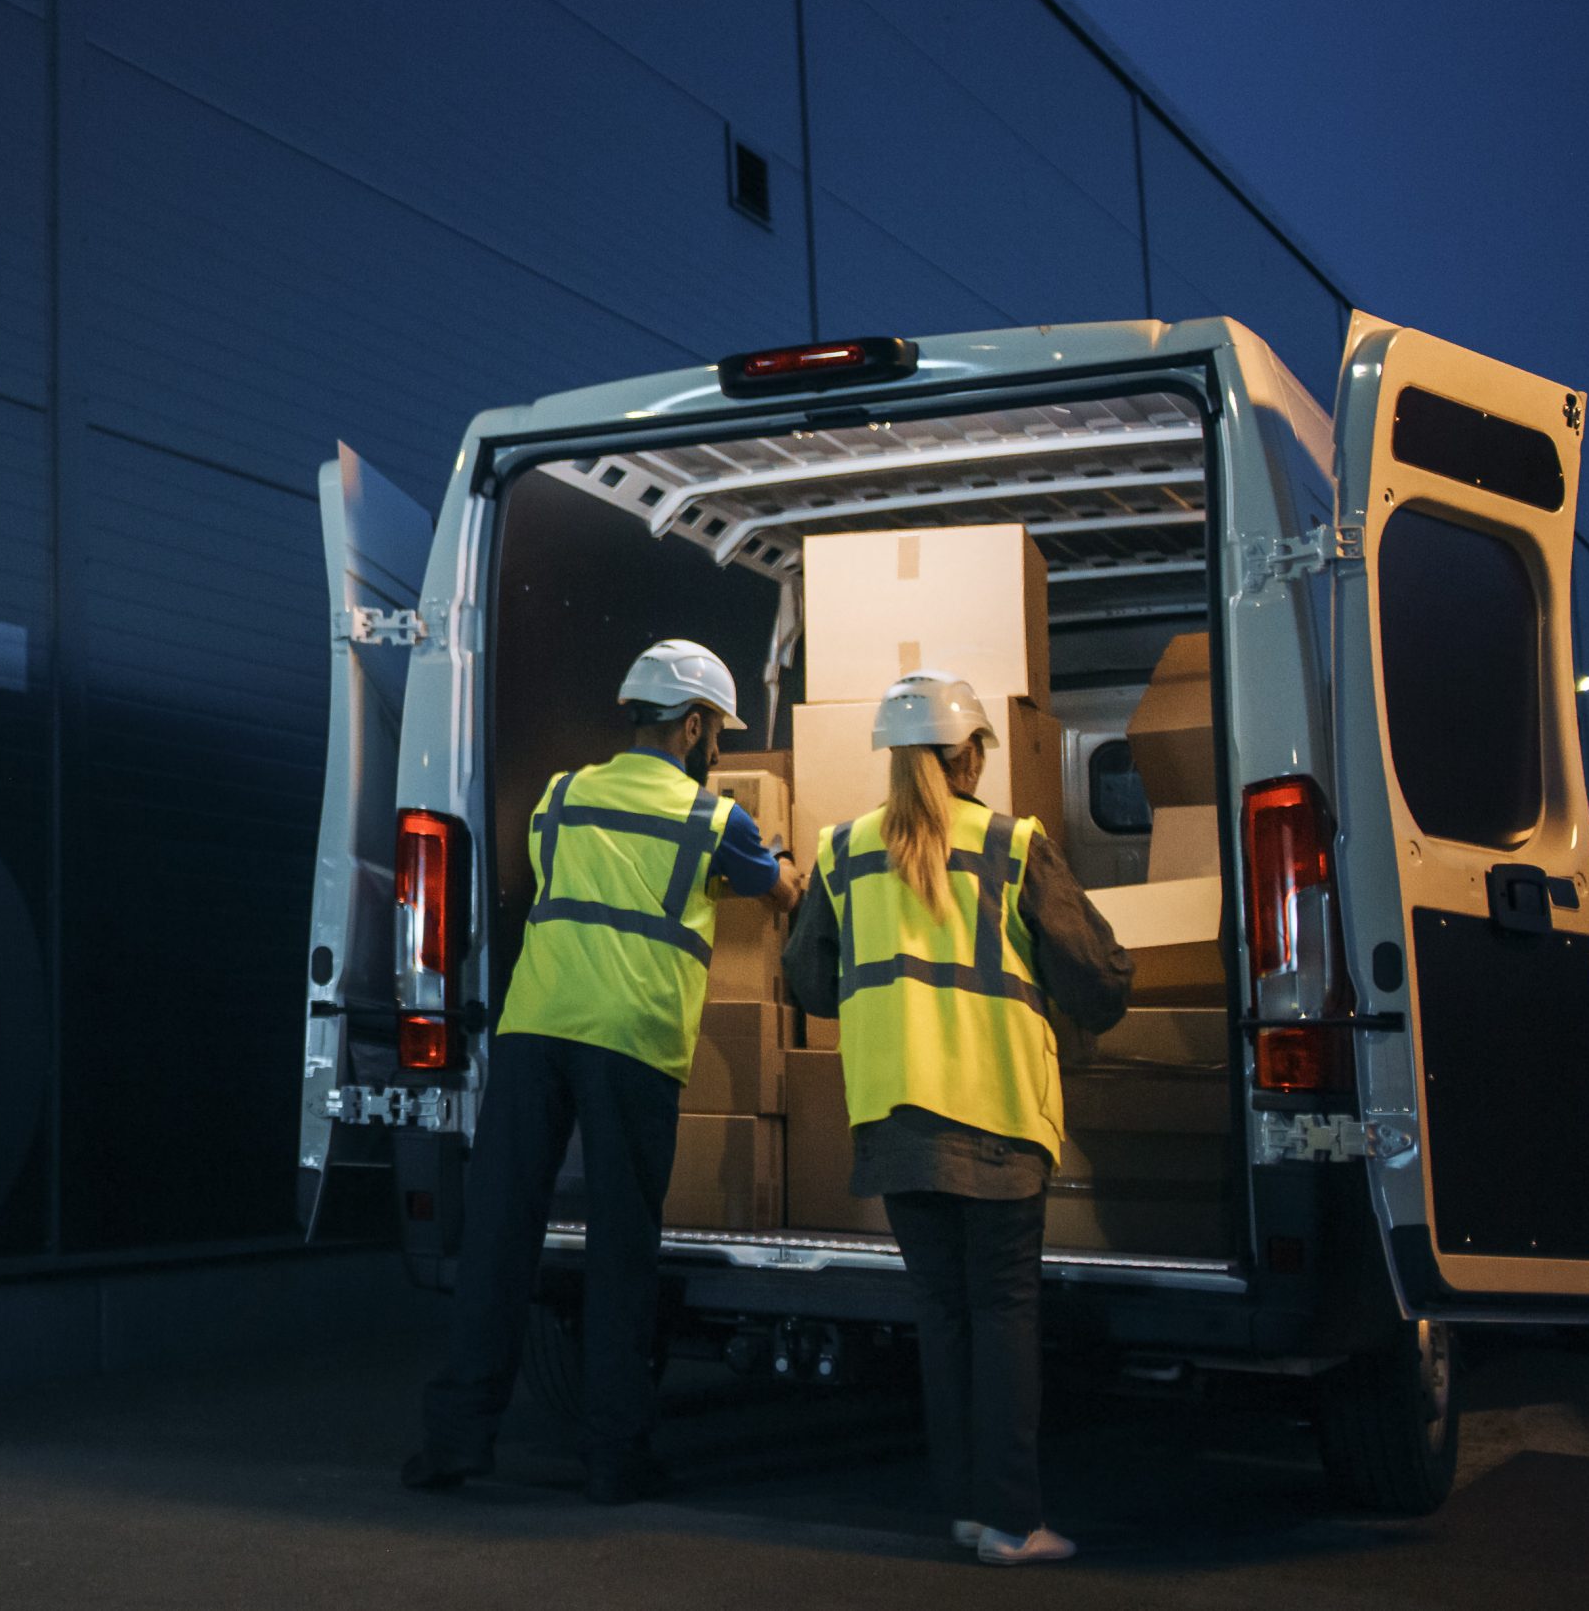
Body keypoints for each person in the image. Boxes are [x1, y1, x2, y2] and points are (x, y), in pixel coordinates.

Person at [406, 639, 802, 1504]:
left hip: (534, 1028)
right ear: (693, 725)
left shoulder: (562, 795)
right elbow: (773, 887)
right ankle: (615, 1458)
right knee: (623, 1253)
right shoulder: (712, 818)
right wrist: (789, 878)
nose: (719, 750)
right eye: (717, 733)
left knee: (500, 1238)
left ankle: (456, 1441)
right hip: (631, 1040)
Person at [781, 672, 1133, 1567]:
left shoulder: (843, 851)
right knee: (1006, 1311)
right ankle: (1015, 1524)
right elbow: (1099, 983)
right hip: (997, 1118)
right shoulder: (1015, 846)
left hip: (893, 1124)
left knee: (942, 1317)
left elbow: (811, 983)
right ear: (972, 752)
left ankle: (971, 1515)